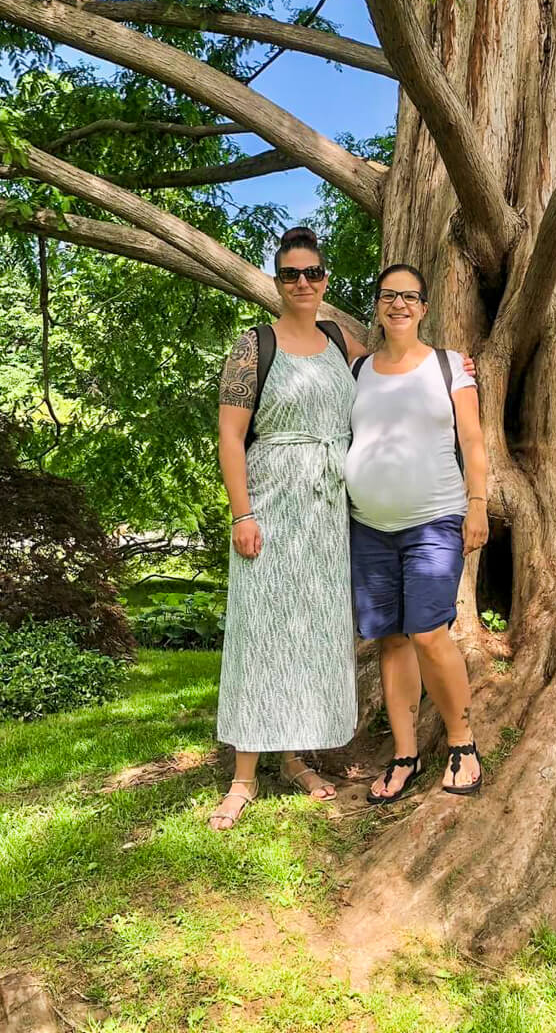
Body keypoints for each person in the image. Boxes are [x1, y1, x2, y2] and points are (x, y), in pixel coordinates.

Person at [209, 226, 366, 829]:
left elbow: (386, 377)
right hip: (271, 501)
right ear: (277, 281)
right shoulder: (254, 346)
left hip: (327, 510)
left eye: (313, 273)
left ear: (325, 280)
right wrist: (242, 512)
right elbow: (229, 434)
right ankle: (244, 775)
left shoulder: (337, 341)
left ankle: (295, 760)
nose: (303, 283)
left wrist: (452, 368)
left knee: (311, 633)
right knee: (260, 633)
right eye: (291, 274)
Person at [344, 264, 489, 803]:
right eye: (388, 296)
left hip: (435, 520)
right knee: (392, 639)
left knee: (429, 633)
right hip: (370, 528)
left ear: (424, 308)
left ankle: (462, 743)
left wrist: (478, 505)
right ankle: (405, 754)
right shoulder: (358, 370)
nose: (398, 304)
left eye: (409, 297)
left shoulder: (451, 367)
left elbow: (473, 441)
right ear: (378, 305)